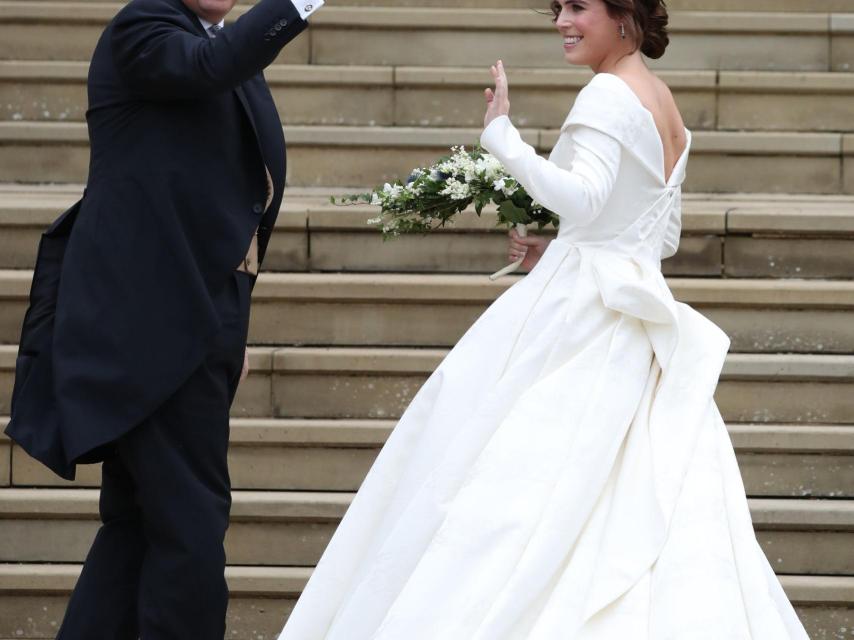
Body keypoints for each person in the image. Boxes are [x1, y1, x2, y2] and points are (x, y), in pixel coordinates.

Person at [277, 0, 811, 638]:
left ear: (626, 15)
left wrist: (502, 137)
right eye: (558, 7)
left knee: (505, 485)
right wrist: (564, 247)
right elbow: (659, 235)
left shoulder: (607, 95)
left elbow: (583, 196)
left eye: (578, 7)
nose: (561, 20)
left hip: (581, 317)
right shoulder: (660, 98)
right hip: (632, 312)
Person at [5, 0, 323, 636]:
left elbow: (237, 194)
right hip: (147, 326)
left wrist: (234, 318)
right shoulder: (143, 30)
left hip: (197, 316)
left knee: (140, 524)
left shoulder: (219, 46)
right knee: (188, 526)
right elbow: (210, 66)